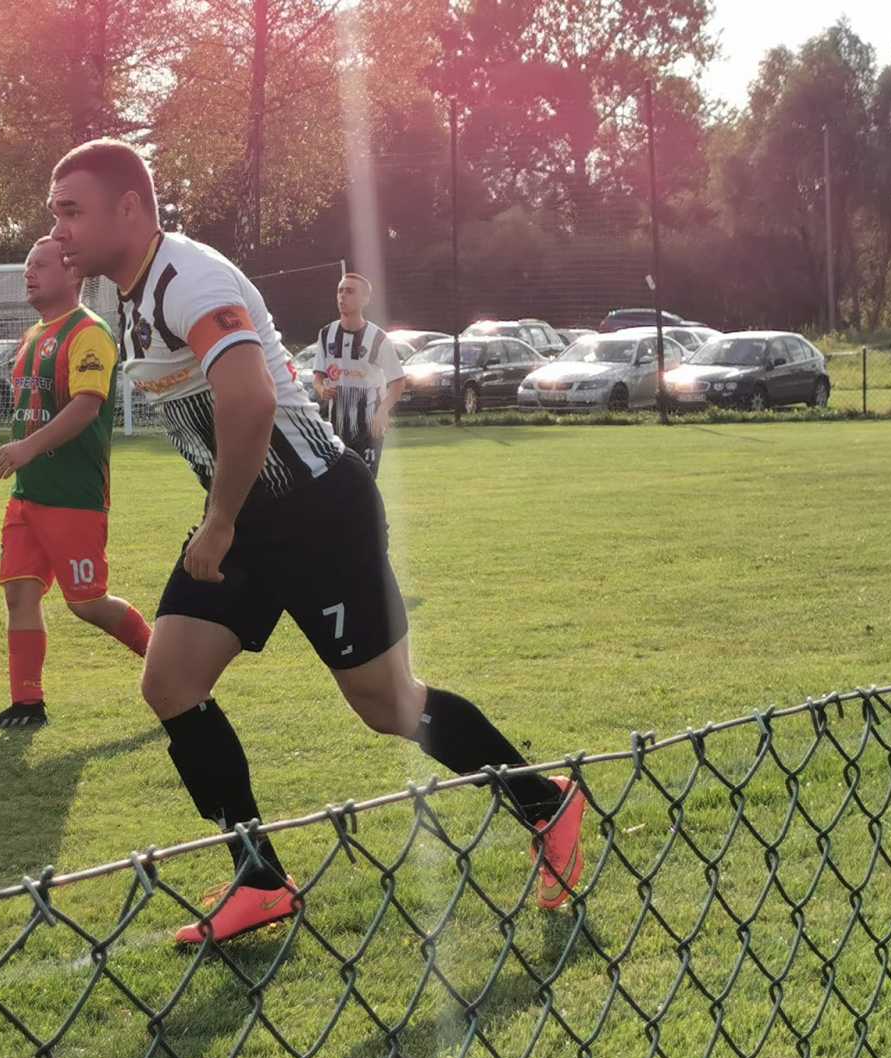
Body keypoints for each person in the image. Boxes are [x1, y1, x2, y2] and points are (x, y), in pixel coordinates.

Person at [46, 139, 587, 944]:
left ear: (130, 209)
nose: (58, 229)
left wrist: (219, 522)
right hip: (246, 519)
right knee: (170, 681)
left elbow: (253, 399)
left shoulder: (187, 277)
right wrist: (227, 520)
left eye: (71, 211)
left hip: (316, 514)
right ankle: (260, 877)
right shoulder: (129, 293)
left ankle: (546, 804)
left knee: (388, 705)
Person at [0, 237, 153, 730]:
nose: (28, 273)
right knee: (19, 594)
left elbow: (86, 407)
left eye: (40, 265)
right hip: (28, 494)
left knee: (88, 603)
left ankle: (170, 662)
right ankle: (27, 703)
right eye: (27, 266)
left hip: (73, 496)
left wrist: (27, 448)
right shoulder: (32, 336)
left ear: (73, 273)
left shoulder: (89, 332)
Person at [312, 274, 404, 479]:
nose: (342, 296)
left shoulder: (378, 338)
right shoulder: (326, 334)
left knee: (364, 485)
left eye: (350, 291)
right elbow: (317, 377)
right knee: (337, 485)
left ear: (365, 299)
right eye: (340, 291)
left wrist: (383, 410)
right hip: (336, 428)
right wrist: (321, 389)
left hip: (369, 428)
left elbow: (398, 381)